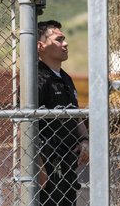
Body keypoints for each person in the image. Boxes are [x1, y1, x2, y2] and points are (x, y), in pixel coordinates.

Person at [36, 20, 89, 206]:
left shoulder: (65, 77)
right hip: (47, 164)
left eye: (64, 39)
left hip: (67, 163)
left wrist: (85, 140)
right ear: (40, 46)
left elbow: (75, 114)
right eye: (59, 40)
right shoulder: (37, 78)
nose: (65, 44)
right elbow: (23, 124)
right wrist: (35, 166)